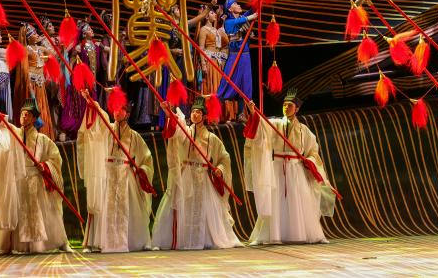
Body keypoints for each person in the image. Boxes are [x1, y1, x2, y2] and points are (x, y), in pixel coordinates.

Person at [151, 96, 241, 250]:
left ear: (204, 116)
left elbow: (224, 157)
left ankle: (202, 239)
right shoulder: (186, 132)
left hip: (203, 176)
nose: (195, 114)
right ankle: (185, 239)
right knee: (184, 206)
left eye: (198, 112)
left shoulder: (212, 138)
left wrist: (220, 169)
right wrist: (168, 112)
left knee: (203, 209)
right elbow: (175, 128)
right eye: (193, 112)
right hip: (186, 174)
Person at [244, 89, 332, 245]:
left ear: (297, 108)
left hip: (295, 168)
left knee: (298, 200)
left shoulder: (304, 130)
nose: (286, 107)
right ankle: (274, 234)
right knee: (276, 200)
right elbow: (261, 129)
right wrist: (253, 112)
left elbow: (313, 151)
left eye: (290, 105)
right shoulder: (275, 124)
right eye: (284, 104)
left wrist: (309, 160)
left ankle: (300, 234)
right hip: (278, 167)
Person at [77, 88, 154, 252]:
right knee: (102, 205)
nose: (117, 112)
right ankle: (96, 242)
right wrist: (91, 102)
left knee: (130, 208)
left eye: (121, 109)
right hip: (108, 174)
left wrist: (141, 170)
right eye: (115, 109)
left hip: (126, 175)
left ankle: (134, 241)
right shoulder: (107, 128)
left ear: (127, 113)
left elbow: (146, 159)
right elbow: (98, 120)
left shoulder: (135, 136)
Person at [0, 98, 70, 254]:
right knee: (17, 211)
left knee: (44, 212)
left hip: (36, 180)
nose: (23, 117)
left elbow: (55, 159)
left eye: (27, 115)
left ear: (34, 118)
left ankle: (57, 242)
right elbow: (2, 123)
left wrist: (44, 166)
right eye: (22, 114)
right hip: (19, 180)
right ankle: (10, 245)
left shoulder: (43, 139)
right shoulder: (15, 134)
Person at [217, 0, 257, 122]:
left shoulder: (242, 18)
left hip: (245, 56)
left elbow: (253, 10)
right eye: (235, 4)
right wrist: (250, 17)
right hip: (234, 56)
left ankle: (241, 113)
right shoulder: (228, 22)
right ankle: (215, 113)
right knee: (227, 83)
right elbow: (238, 22)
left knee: (244, 84)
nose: (239, 5)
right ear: (230, 9)